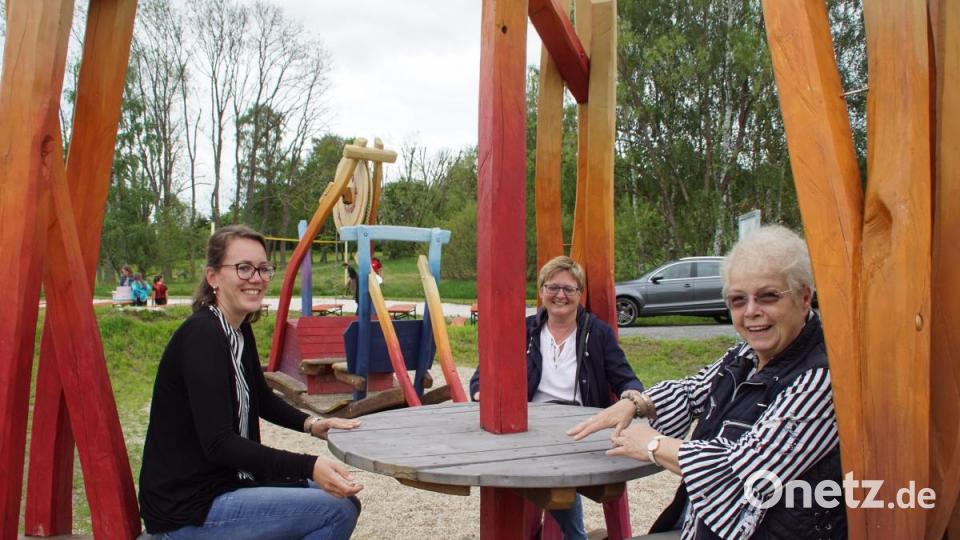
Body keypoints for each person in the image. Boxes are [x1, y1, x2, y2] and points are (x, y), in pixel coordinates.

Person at [568, 226, 845, 539]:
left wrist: (653, 444)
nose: (752, 311)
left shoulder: (821, 376)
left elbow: (742, 470)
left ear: (804, 296)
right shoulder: (745, 354)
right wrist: (635, 403)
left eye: (768, 296)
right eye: (738, 300)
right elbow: (692, 391)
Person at [139, 225, 363, 539]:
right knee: (334, 510)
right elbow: (220, 444)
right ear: (213, 277)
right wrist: (309, 465)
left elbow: (261, 396)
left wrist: (313, 424)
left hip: (226, 485)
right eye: (243, 268)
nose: (256, 278)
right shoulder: (202, 336)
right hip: (187, 510)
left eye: (262, 268)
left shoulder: (238, 330)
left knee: (345, 498)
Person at [469, 255, 644, 540]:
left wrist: (632, 396)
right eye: (552, 288)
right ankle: (574, 536)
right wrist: (481, 393)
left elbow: (626, 378)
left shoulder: (597, 333)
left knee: (556, 469)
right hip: (531, 423)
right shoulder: (523, 330)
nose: (560, 295)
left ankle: (575, 536)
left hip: (577, 425)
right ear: (541, 291)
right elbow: (483, 376)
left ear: (579, 294)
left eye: (568, 289)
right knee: (526, 466)